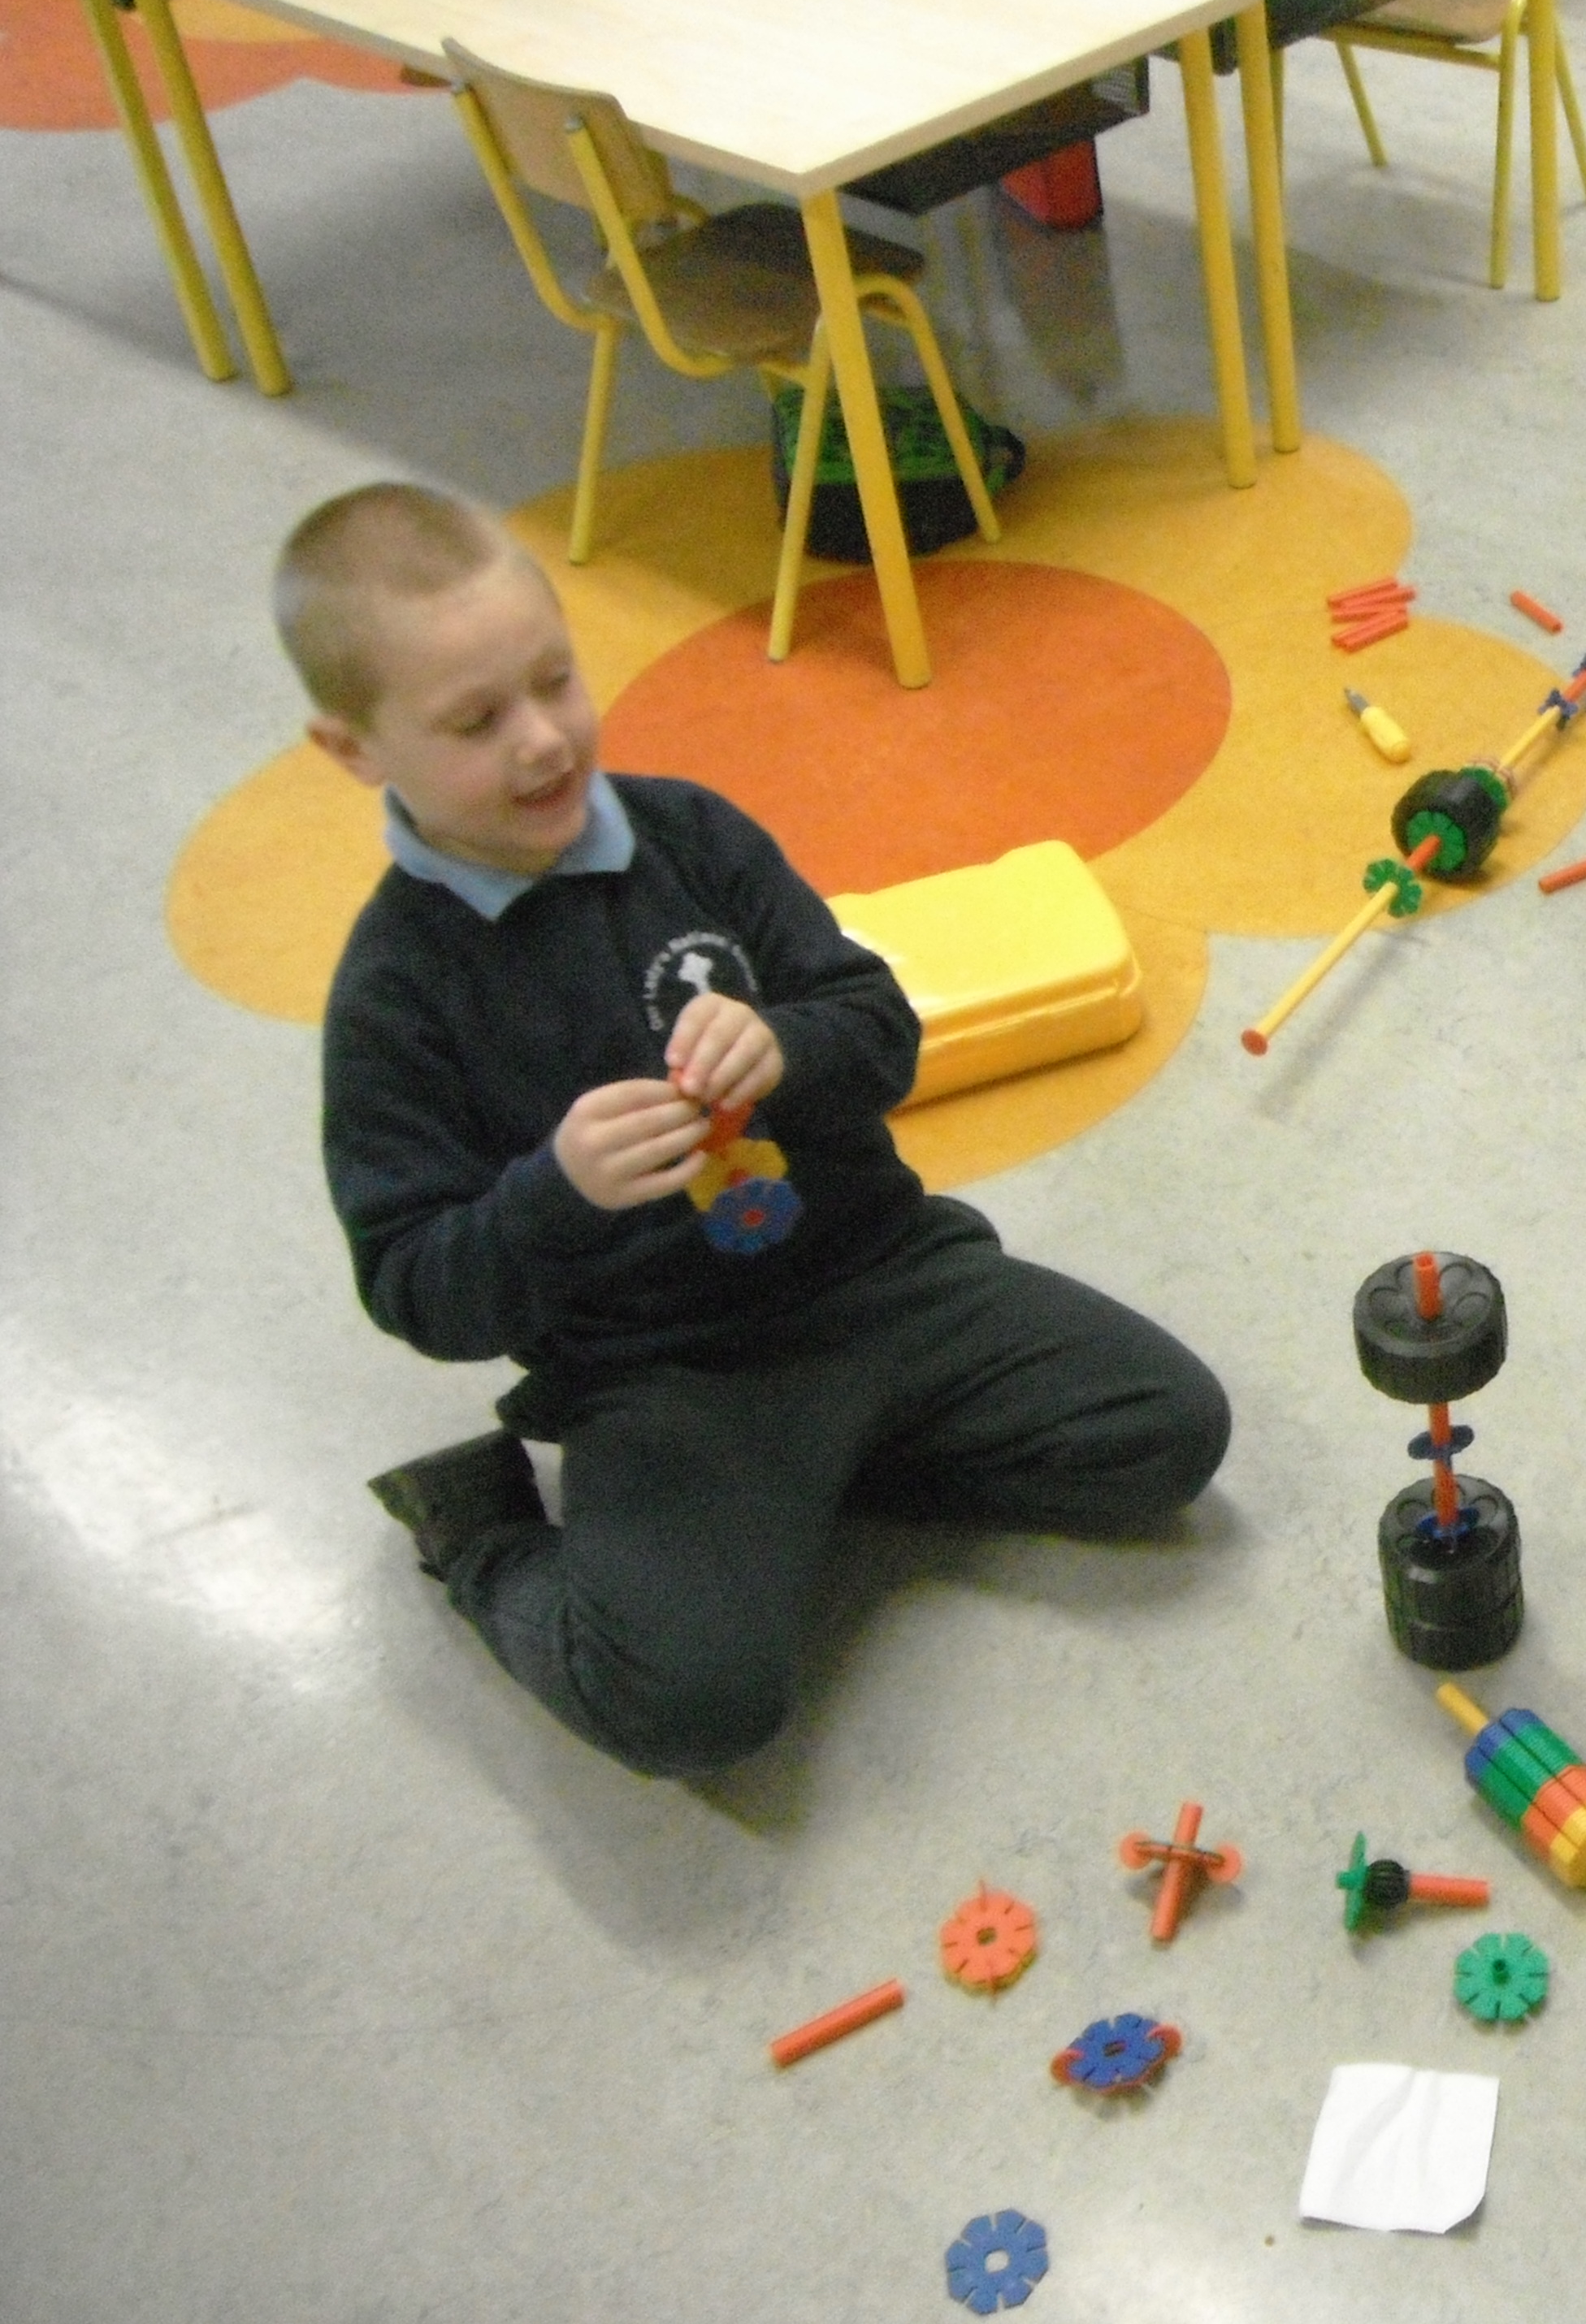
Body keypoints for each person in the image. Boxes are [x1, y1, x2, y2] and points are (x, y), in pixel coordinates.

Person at [280, 484, 1229, 1778]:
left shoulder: (691, 835)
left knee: (1169, 1430)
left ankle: (817, 1482)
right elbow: (413, 1287)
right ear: (353, 749)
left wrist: (789, 1046)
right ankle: (484, 1540)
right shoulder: (396, 995)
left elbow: (880, 1027)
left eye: (555, 681)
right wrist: (555, 1196)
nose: (544, 739)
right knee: (692, 1705)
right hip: (665, 1377)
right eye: (475, 720)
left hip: (881, 1276)